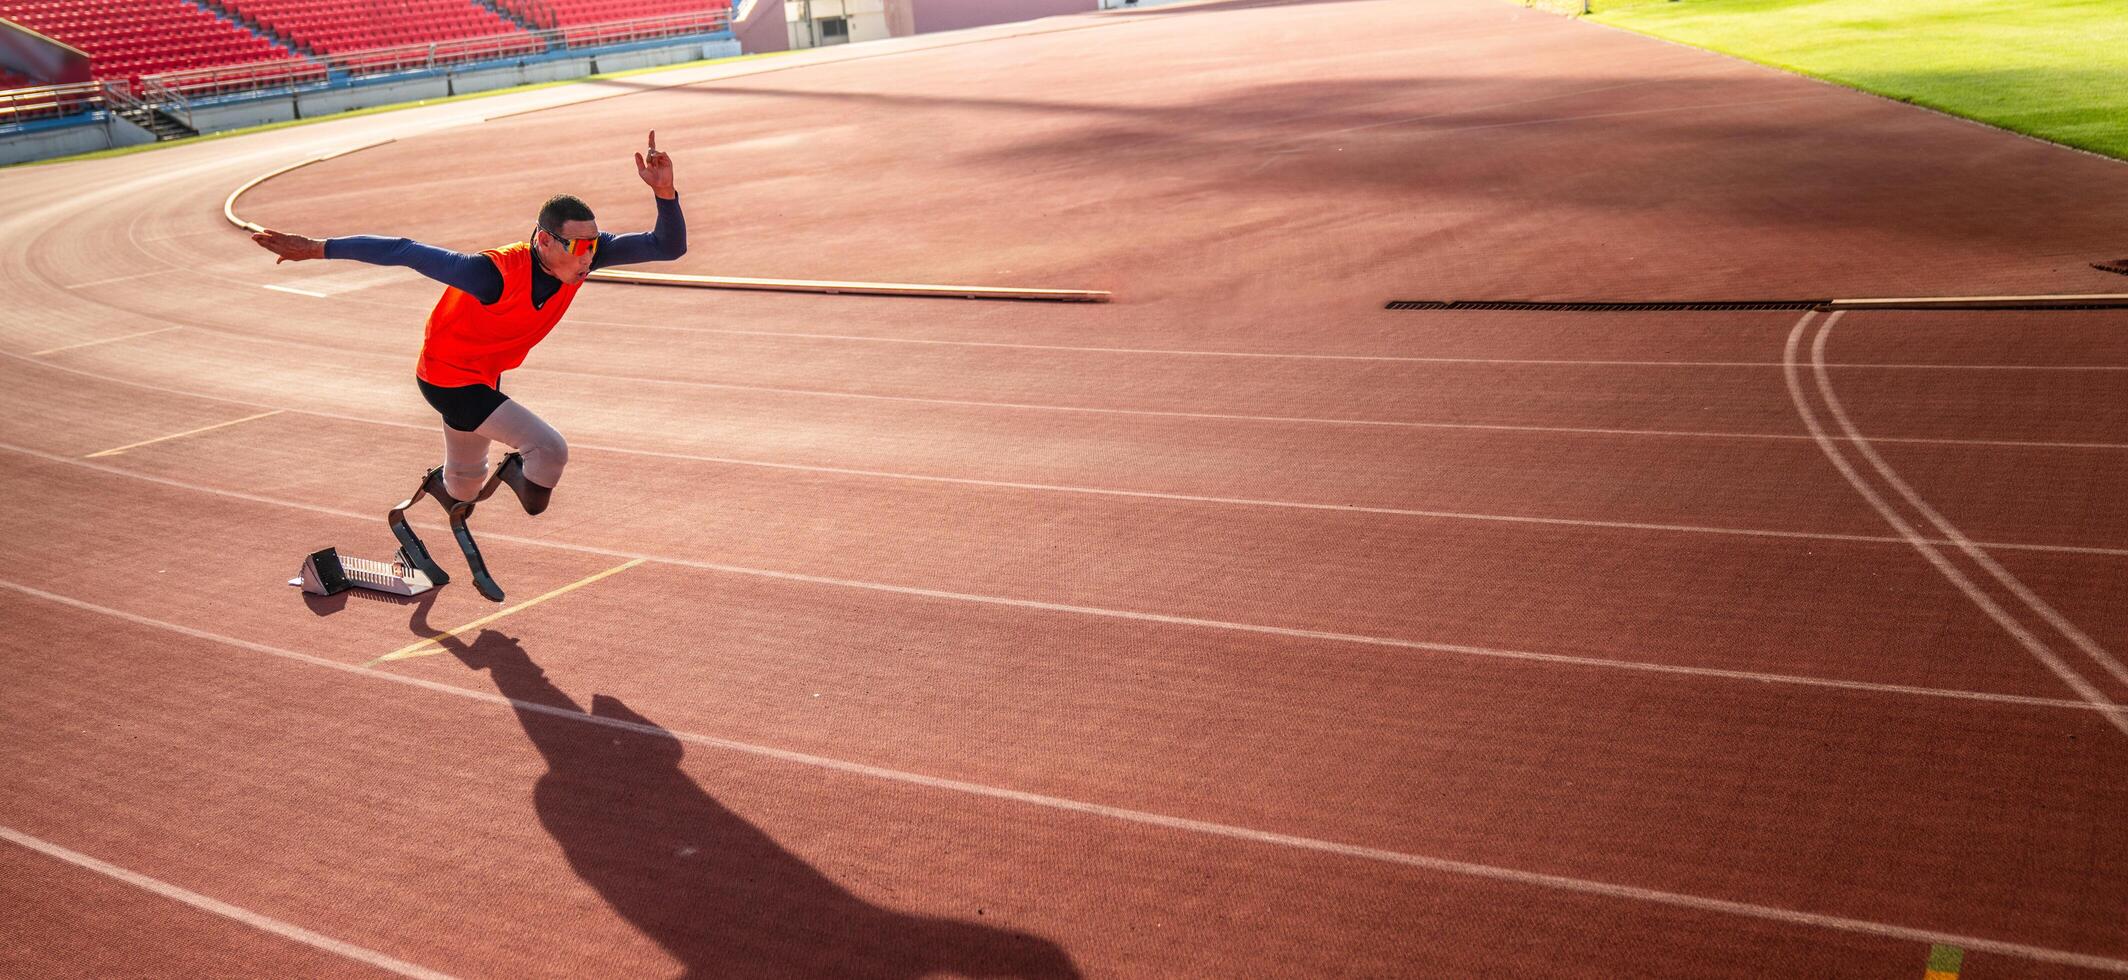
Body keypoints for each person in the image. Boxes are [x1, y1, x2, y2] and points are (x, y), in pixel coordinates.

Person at [251, 132, 686, 595]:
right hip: (446, 380)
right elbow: (404, 250)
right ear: (543, 240)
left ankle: (443, 489)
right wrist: (317, 248)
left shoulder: (582, 259)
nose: (590, 256)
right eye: (579, 247)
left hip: (483, 376)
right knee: (549, 453)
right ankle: (515, 471)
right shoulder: (489, 273)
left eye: (594, 244)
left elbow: (667, 245)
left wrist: (664, 193)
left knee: (465, 489)